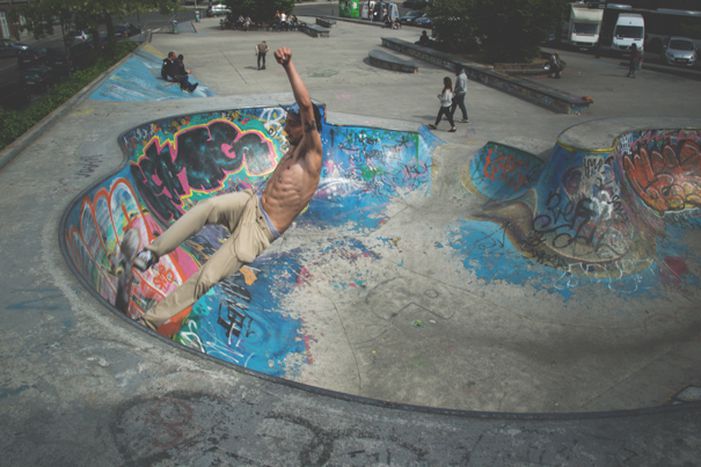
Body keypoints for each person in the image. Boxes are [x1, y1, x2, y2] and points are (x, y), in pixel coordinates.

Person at [133, 47, 324, 333]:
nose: (286, 127)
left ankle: (149, 321)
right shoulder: (293, 148)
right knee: (204, 209)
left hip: (259, 230)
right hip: (250, 203)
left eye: (291, 124)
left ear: (306, 127)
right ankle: (152, 253)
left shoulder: (312, 155)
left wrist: (288, 66)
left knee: (208, 275)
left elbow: (306, 106)